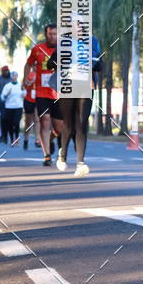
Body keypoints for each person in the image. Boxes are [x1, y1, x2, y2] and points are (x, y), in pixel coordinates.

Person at [49, 34, 102, 177]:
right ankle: (63, 155)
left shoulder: (93, 41)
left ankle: (80, 163)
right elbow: (50, 63)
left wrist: (91, 64)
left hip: (86, 87)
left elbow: (100, 64)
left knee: (82, 124)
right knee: (69, 125)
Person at [23, 24, 64, 166]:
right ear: (46, 34)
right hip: (42, 92)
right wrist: (25, 78)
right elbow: (28, 64)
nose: (52, 36)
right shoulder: (37, 49)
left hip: (59, 93)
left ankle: (52, 137)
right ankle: (46, 155)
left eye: (55, 34)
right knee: (44, 120)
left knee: (59, 128)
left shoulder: (65, 50)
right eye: (50, 34)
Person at [0, 71, 24, 144]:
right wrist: (6, 95)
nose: (14, 77)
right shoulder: (7, 86)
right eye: (13, 76)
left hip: (18, 107)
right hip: (9, 107)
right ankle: (11, 139)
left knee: (16, 123)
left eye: (15, 76)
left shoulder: (20, 85)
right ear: (11, 77)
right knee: (10, 124)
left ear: (17, 76)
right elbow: (2, 97)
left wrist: (24, 94)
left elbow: (24, 93)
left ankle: (16, 138)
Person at [22, 70, 39, 149]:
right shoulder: (30, 74)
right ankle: (26, 139)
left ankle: (37, 140)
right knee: (28, 122)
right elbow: (24, 86)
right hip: (29, 100)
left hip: (38, 99)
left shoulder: (43, 73)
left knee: (37, 119)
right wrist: (30, 81)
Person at [0, 65, 11, 141]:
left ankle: (6, 134)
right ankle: (1, 135)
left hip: (10, 102)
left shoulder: (11, 79)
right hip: (0, 101)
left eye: (7, 71)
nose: (6, 72)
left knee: (8, 118)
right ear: (2, 72)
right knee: (1, 118)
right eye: (4, 71)